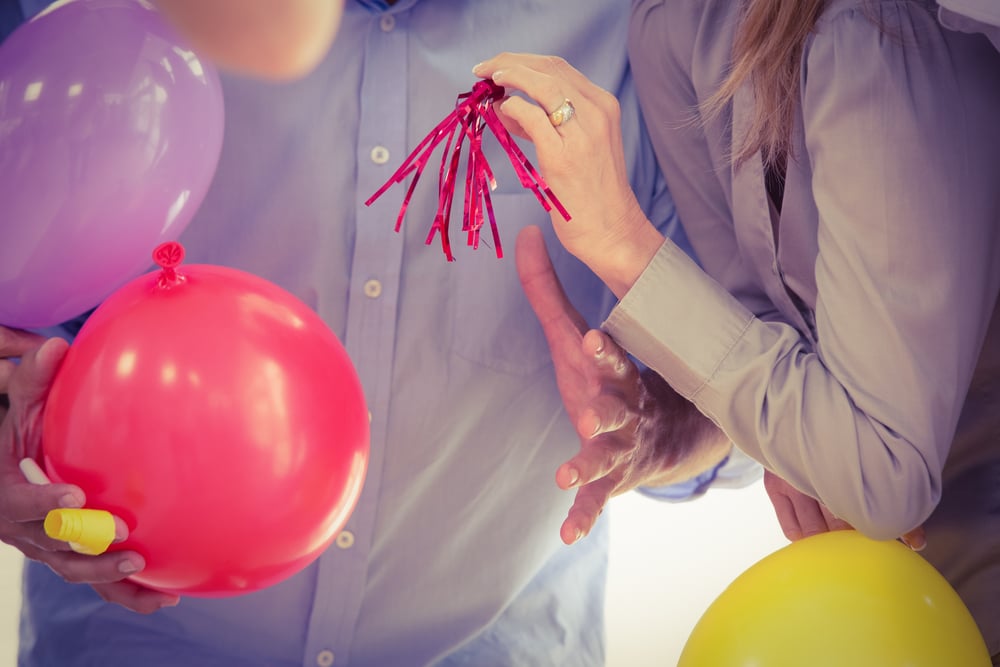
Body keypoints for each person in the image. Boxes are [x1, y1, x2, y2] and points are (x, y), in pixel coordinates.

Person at [0, 1, 762, 665]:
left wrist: (661, 428)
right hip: (132, 644)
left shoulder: (661, 20)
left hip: (507, 641)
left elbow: (768, 369)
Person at [473, 0, 1000, 659]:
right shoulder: (671, 23)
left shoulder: (868, 30)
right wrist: (798, 444)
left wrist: (622, 243)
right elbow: (766, 332)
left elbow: (885, 475)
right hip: (884, 601)